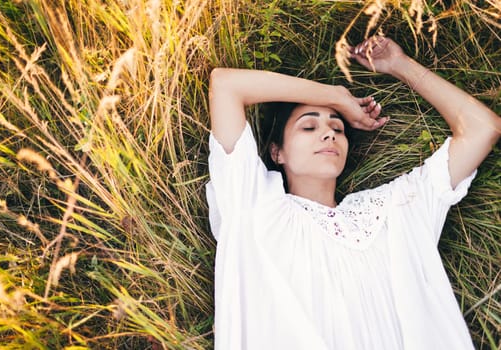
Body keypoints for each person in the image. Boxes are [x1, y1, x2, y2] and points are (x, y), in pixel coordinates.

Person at [205, 36, 500, 350]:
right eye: (309, 127)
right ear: (277, 153)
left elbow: (483, 128)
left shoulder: (394, 209)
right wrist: (335, 97)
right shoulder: (255, 202)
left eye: (338, 128)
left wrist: (400, 65)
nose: (329, 133)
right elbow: (225, 85)